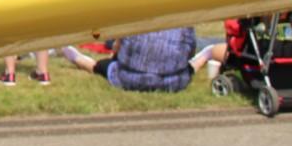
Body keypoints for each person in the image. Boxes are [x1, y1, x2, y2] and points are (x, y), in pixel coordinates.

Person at [60, 27, 199, 92]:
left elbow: (118, 47)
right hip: (174, 81)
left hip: (129, 78)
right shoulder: (184, 22)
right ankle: (208, 54)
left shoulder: (135, 17)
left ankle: (72, 55)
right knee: (200, 59)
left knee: (98, 66)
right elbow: (190, 53)